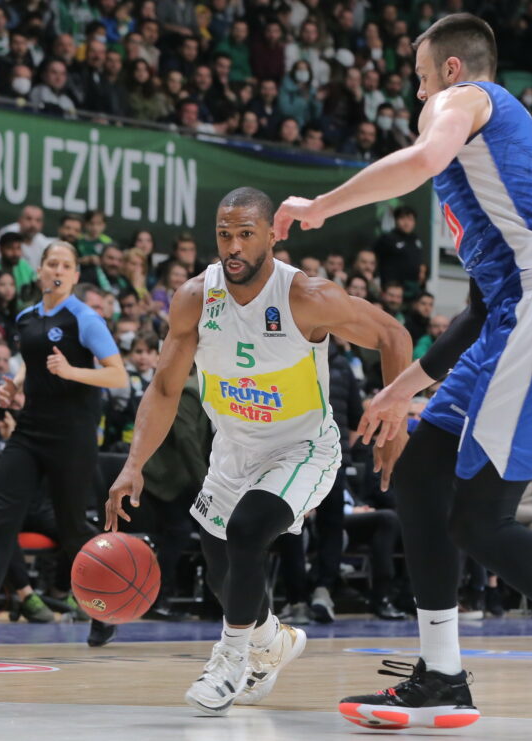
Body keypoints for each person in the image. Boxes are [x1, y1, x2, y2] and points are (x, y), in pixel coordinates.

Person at [273, 15, 532, 736]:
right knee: (420, 472)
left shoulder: (466, 102)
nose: (417, 93)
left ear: (451, 71)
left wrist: (321, 206)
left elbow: (421, 157)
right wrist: (400, 390)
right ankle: (442, 675)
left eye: (421, 77)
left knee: (480, 520)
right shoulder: (499, 164)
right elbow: (477, 309)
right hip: (519, 314)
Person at [105, 188, 412, 717]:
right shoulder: (195, 298)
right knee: (220, 570)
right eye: (224, 234)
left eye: (246, 234)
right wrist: (134, 464)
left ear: (272, 236)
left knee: (247, 531)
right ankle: (272, 642)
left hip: (302, 448)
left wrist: (394, 428)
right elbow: (164, 389)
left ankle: (230, 661)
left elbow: (393, 334)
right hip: (233, 447)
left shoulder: (306, 296)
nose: (233, 246)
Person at [0, 241, 128, 646]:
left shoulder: (85, 318)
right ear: (39, 270)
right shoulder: (26, 318)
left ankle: (102, 610)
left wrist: (72, 371)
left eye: (66, 265)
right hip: (28, 432)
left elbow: (118, 375)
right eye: (51, 264)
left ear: (75, 275)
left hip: (72, 437)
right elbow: (32, 361)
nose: (58, 270)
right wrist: (14, 387)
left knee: (73, 530)